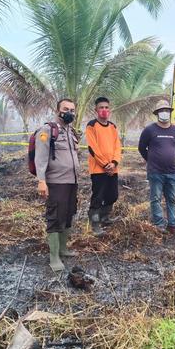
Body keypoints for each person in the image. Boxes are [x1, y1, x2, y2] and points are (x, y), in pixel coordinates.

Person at [35, 98, 80, 272]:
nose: (70, 112)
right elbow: (40, 156)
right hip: (56, 182)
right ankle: (54, 257)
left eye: (72, 110)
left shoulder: (71, 132)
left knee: (69, 214)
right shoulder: (47, 130)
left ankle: (63, 248)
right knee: (55, 217)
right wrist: (41, 181)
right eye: (66, 109)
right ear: (57, 110)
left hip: (72, 181)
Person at [138, 100, 175, 234]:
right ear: (157, 114)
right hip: (155, 172)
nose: (164, 113)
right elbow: (141, 148)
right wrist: (151, 159)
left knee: (172, 198)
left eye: (167, 110)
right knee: (156, 198)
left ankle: (172, 225)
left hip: (172, 172)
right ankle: (159, 224)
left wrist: (169, 158)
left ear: (170, 113)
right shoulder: (149, 130)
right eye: (161, 111)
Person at [85, 96, 122, 236]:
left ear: (109, 110)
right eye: (101, 107)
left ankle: (105, 217)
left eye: (106, 107)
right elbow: (92, 148)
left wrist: (114, 163)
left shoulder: (113, 127)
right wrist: (105, 164)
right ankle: (95, 223)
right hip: (98, 170)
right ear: (96, 110)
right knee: (98, 197)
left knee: (112, 195)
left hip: (113, 168)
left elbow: (117, 146)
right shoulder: (91, 126)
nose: (104, 110)